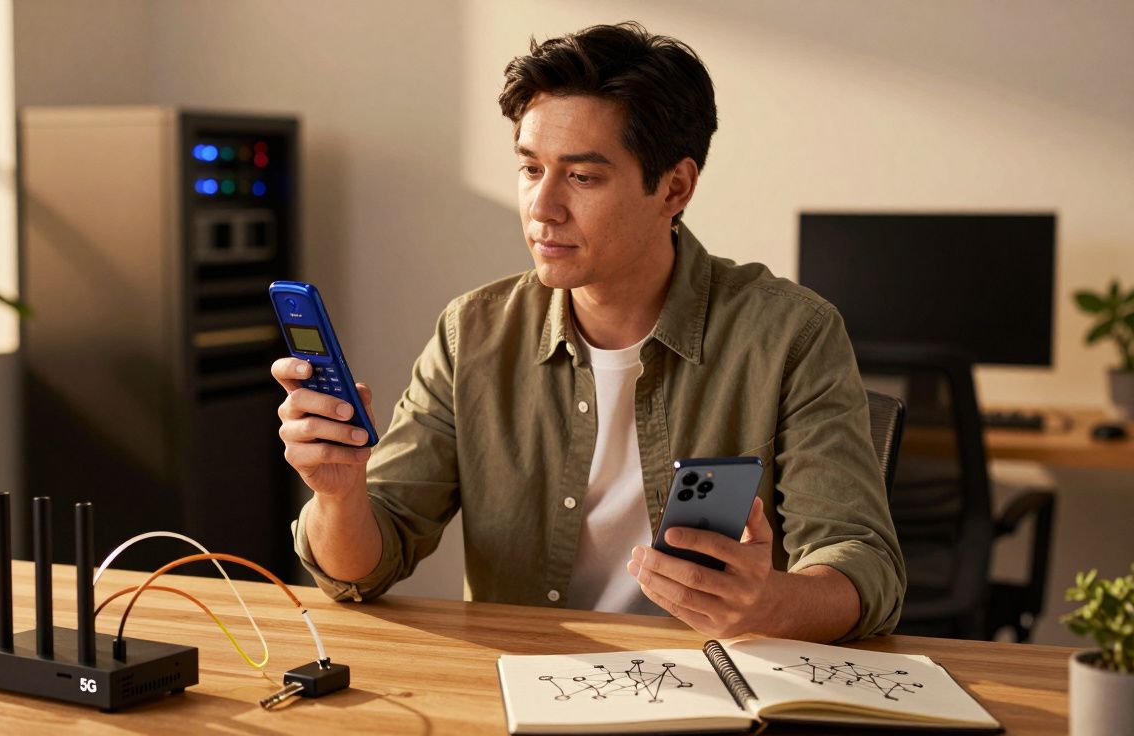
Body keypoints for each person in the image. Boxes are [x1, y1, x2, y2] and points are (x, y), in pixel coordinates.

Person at [270, 21, 904, 642]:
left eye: (582, 176)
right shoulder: (474, 333)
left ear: (675, 187)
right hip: (528, 687)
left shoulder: (791, 333)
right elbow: (362, 569)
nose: (542, 207)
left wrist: (768, 604)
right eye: (529, 169)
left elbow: (863, 567)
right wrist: (342, 493)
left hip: (715, 682)